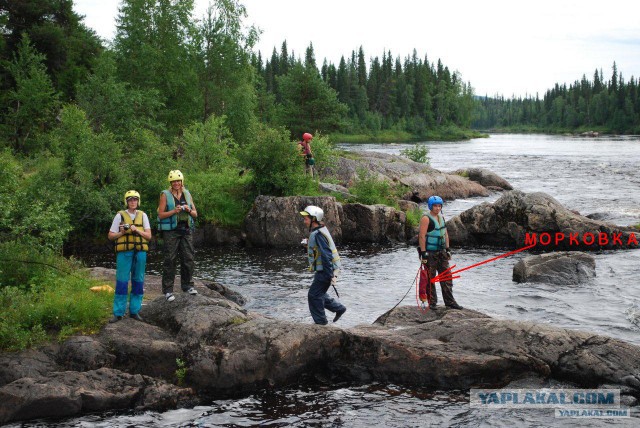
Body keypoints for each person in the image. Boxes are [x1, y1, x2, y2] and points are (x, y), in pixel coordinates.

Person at [107, 190, 152, 322]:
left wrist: (136, 230)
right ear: (126, 202)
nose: (133, 202)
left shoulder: (143, 216)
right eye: (130, 200)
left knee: (138, 281)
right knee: (122, 281)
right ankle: (118, 312)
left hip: (140, 252)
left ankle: (134, 311)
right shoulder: (119, 216)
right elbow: (110, 236)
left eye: (135, 200)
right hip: (124, 253)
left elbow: (149, 236)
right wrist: (121, 233)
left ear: (138, 201)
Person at [300, 205, 346, 325]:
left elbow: (326, 254)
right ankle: (339, 308)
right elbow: (320, 251)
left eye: (306, 218)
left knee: (314, 295)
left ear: (313, 219)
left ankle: (321, 324)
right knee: (319, 293)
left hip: (326, 270)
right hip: (326, 269)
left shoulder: (319, 234)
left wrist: (328, 274)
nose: (304, 221)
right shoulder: (319, 231)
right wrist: (308, 245)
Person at [157, 170, 199, 302]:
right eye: (174, 181)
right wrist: (174, 211)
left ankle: (187, 286)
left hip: (185, 230)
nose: (176, 183)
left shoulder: (187, 194)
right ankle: (168, 290)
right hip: (171, 231)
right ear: (171, 182)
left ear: (182, 182)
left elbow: (195, 214)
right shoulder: (165, 195)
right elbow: (161, 215)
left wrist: (188, 210)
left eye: (178, 181)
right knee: (170, 259)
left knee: (188, 258)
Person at [418, 195, 463, 310]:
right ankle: (432, 302)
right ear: (430, 206)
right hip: (430, 253)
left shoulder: (441, 217)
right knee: (430, 278)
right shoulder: (426, 218)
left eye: (439, 206)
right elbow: (422, 236)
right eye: (435, 206)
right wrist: (423, 253)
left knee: (447, 277)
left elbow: (445, 234)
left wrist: (448, 249)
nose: (437, 208)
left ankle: (450, 302)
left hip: (442, 252)